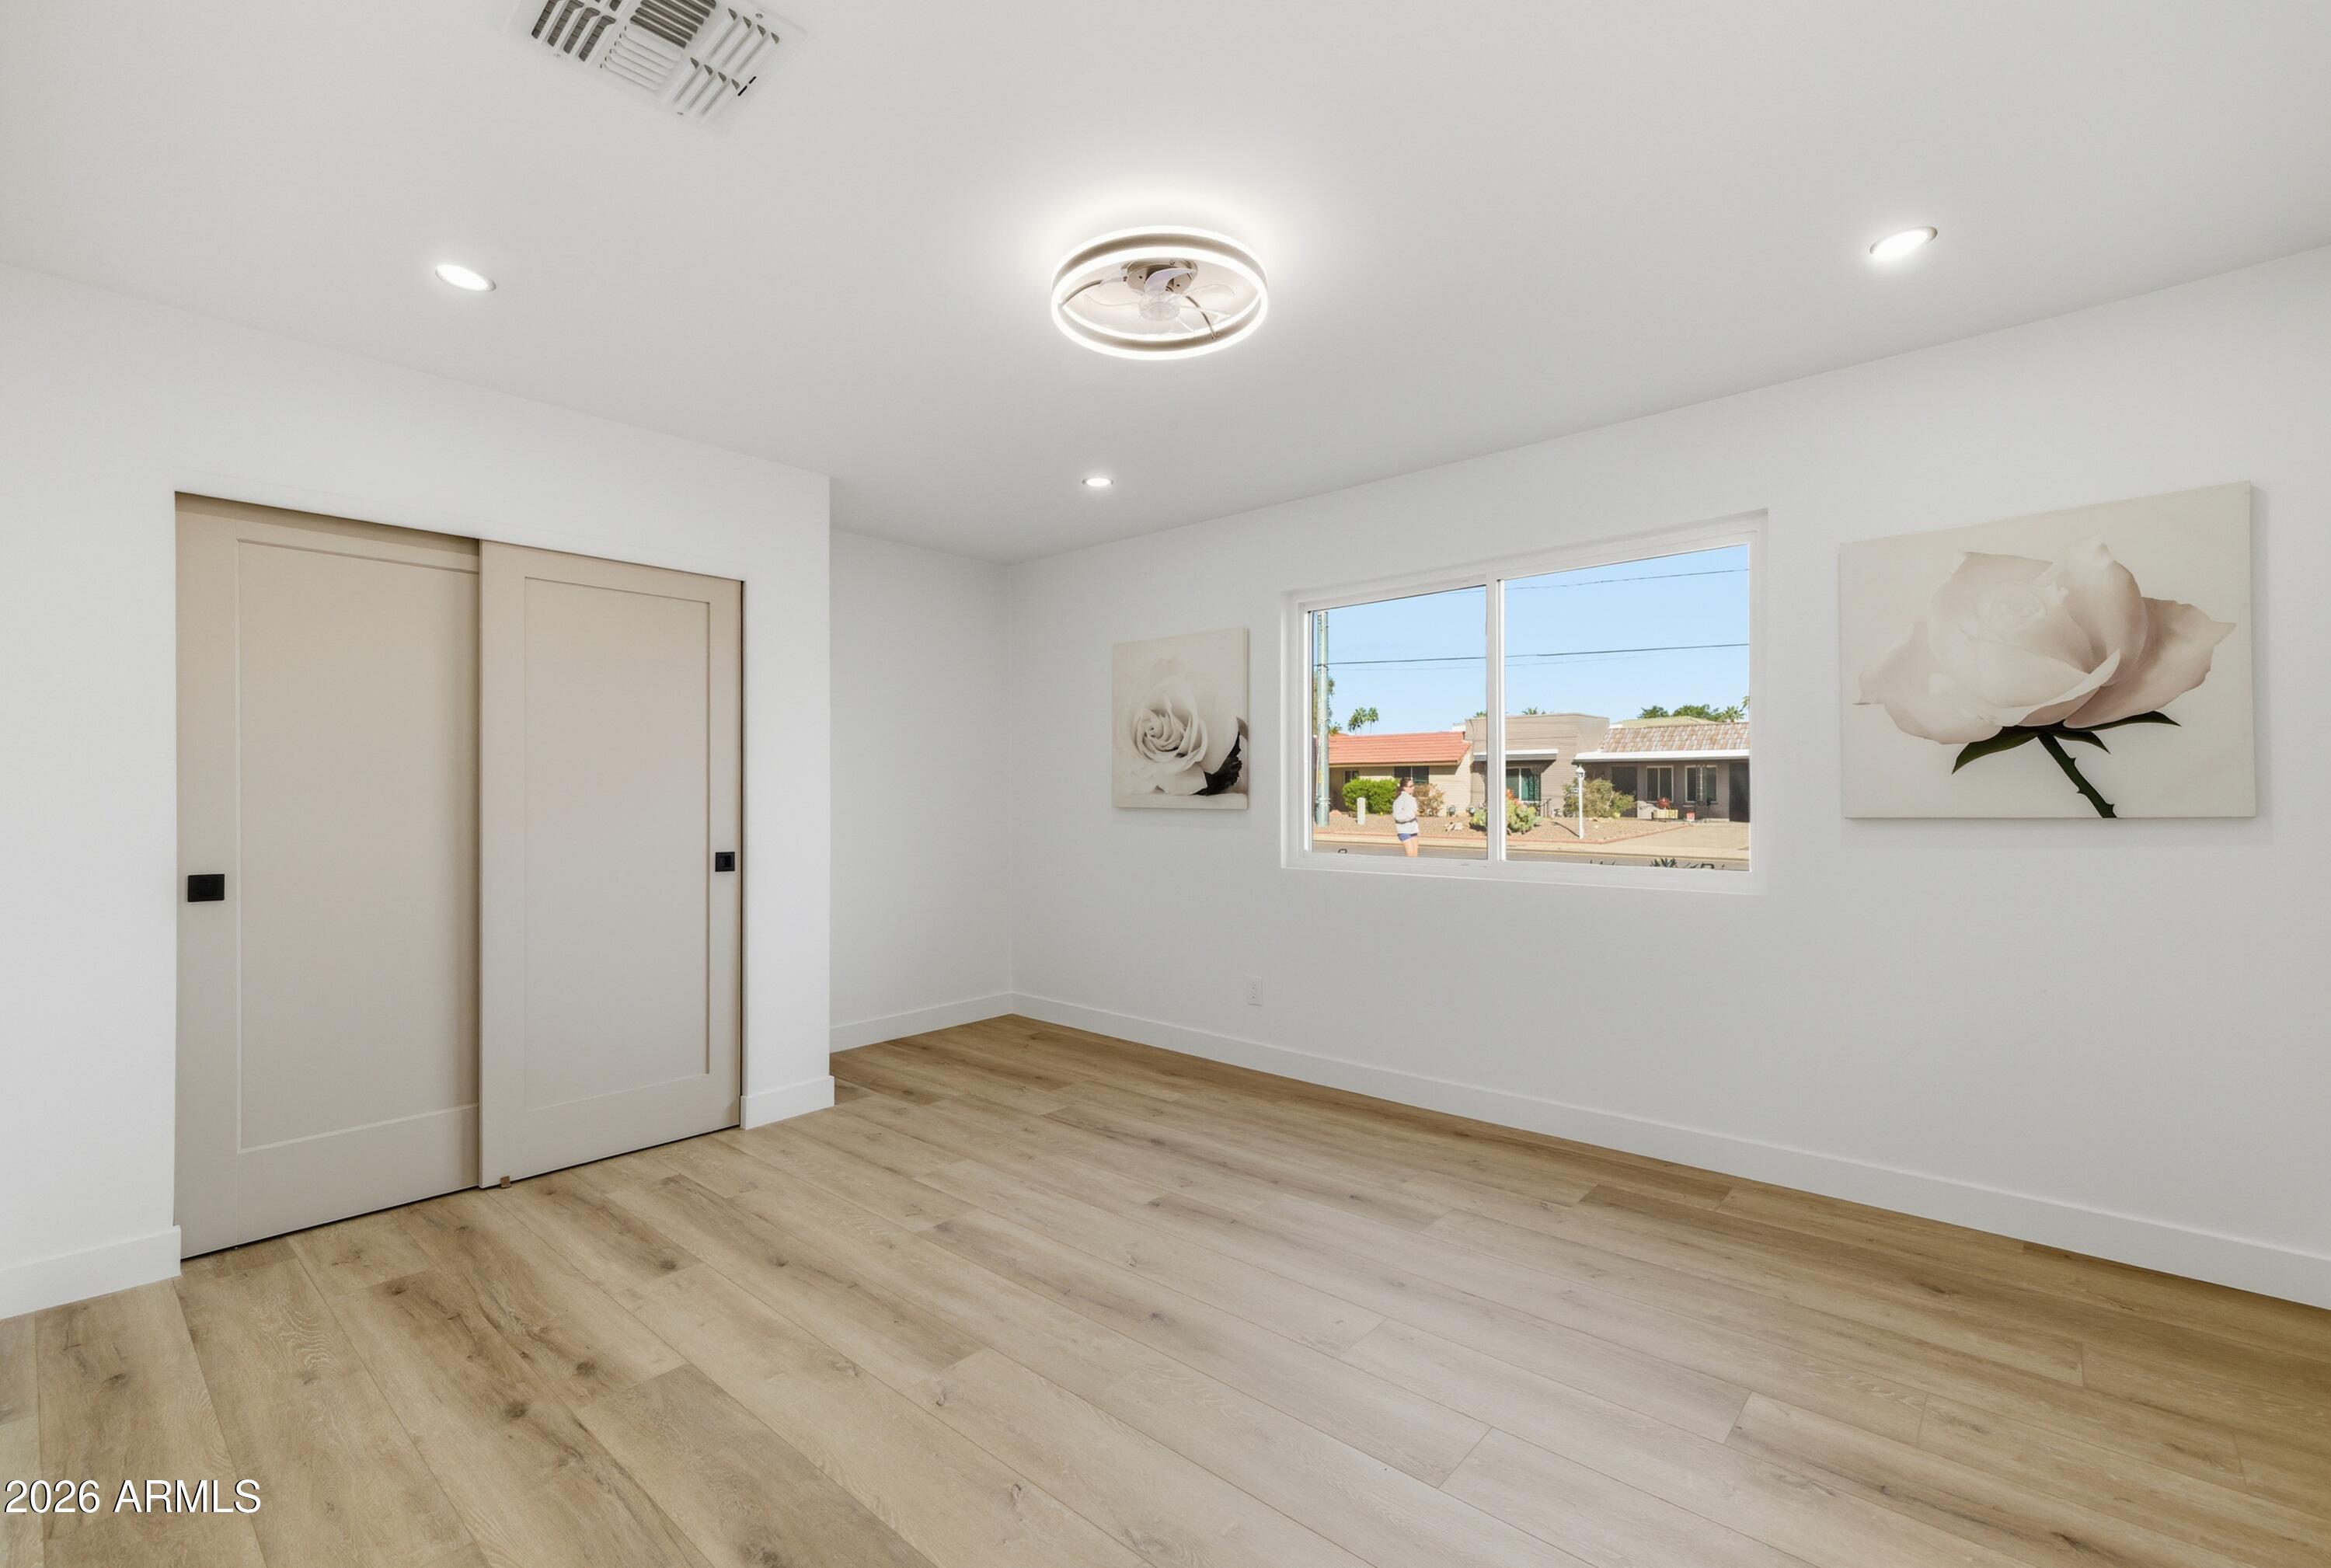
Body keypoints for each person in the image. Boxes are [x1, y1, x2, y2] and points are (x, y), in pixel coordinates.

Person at [1391, 778, 1420, 857]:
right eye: (1410, 786)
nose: (1413, 788)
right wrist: (1413, 814)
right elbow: (1398, 817)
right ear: (1404, 788)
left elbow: (1414, 811)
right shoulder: (1399, 800)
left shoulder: (1412, 799)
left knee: (1415, 855)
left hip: (1413, 829)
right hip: (1404, 830)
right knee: (1410, 855)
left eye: (1413, 785)